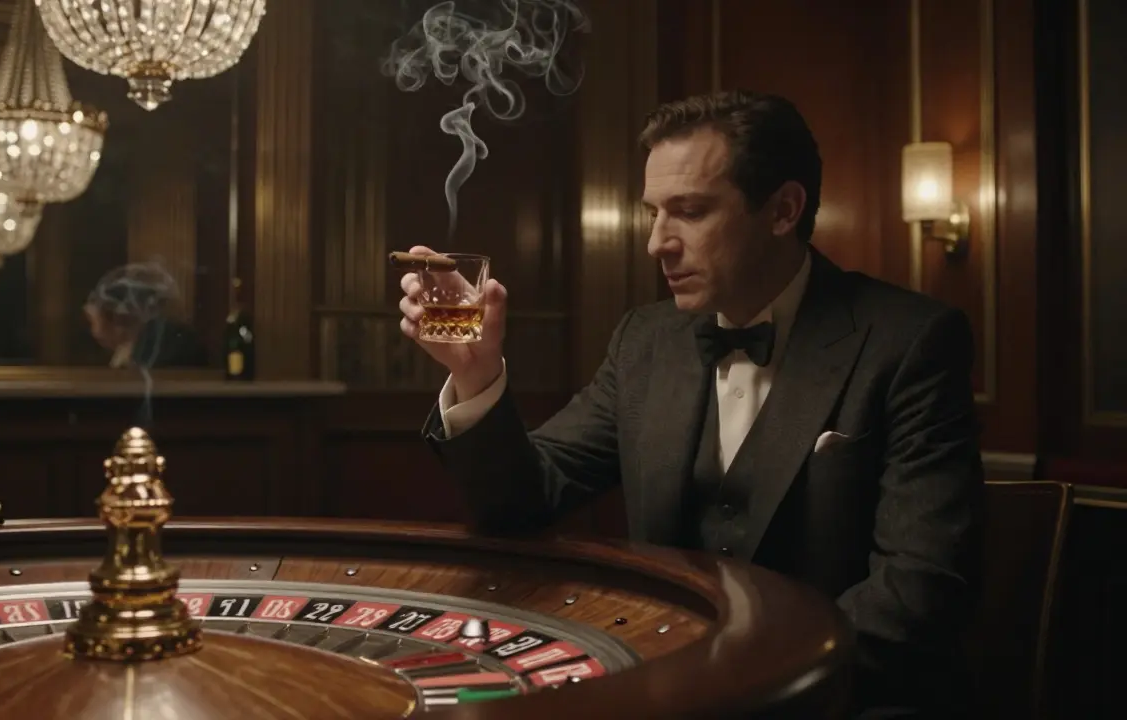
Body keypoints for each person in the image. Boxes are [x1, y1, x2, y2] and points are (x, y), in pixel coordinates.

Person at [397, 90, 983, 718]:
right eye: (653, 213)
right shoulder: (645, 341)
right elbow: (524, 501)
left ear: (783, 210)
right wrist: (476, 373)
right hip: (665, 693)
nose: (657, 243)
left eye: (691, 212)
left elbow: (916, 592)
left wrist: (750, 691)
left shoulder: (910, 341)